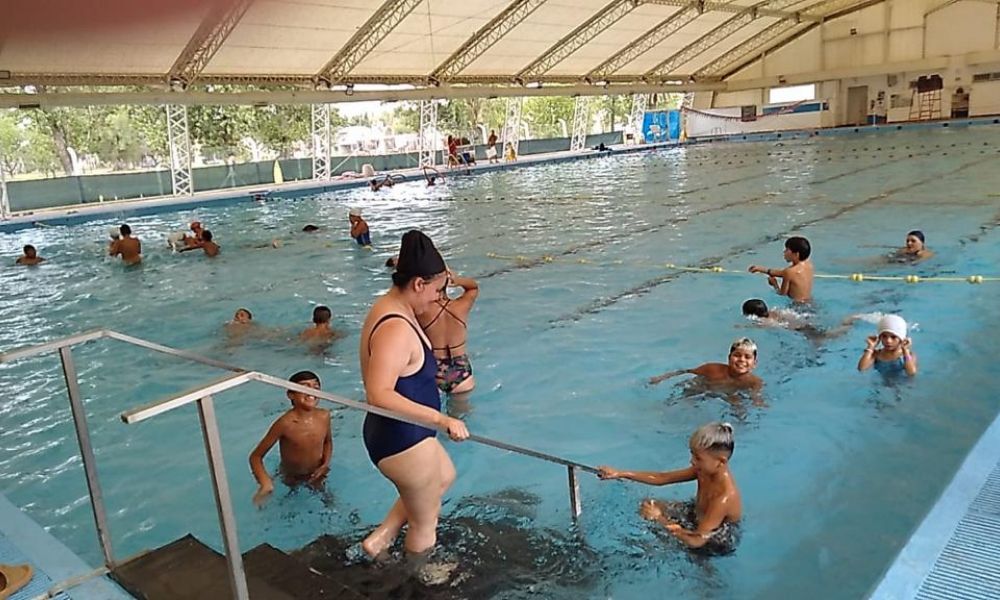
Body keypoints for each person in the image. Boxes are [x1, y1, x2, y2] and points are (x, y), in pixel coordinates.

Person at [359, 230, 469, 559]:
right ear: (418, 283)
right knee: (425, 522)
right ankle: (422, 575)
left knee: (445, 475)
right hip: (400, 438)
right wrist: (441, 419)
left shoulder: (395, 306)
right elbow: (378, 394)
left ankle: (380, 539)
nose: (438, 299)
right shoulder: (394, 327)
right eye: (436, 291)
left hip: (408, 432)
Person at [596, 422, 741, 555]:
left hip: (714, 538)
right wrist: (620, 473)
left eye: (698, 458)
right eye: (692, 454)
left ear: (721, 462)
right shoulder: (703, 470)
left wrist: (659, 518)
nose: (692, 461)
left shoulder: (723, 497)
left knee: (659, 520)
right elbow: (662, 478)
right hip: (696, 514)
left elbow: (697, 541)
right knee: (649, 504)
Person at [249, 370, 332, 506]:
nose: (312, 392)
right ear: (290, 394)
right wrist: (265, 483)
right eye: (304, 387)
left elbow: (328, 442)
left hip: (316, 473)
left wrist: (325, 465)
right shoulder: (285, 424)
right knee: (288, 506)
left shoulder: (324, 416)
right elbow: (255, 457)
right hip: (291, 477)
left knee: (330, 503)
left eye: (316, 387)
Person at [417, 271, 479, 396]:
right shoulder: (461, 306)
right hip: (460, 367)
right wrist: (457, 280)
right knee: (460, 408)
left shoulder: (421, 310)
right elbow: (473, 287)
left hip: (434, 367)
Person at [649, 338, 762, 393]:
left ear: (754, 363)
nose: (742, 360)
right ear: (729, 358)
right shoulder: (712, 369)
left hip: (728, 395)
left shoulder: (754, 382)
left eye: (747, 357)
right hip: (704, 389)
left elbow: (756, 400)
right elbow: (686, 371)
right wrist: (662, 378)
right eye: (737, 355)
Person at [748, 236, 813, 303]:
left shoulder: (789, 272)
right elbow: (783, 273)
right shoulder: (809, 265)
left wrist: (774, 284)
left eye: (787, 250)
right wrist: (760, 269)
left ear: (796, 254)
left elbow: (782, 294)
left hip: (796, 306)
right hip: (809, 302)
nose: (784, 252)